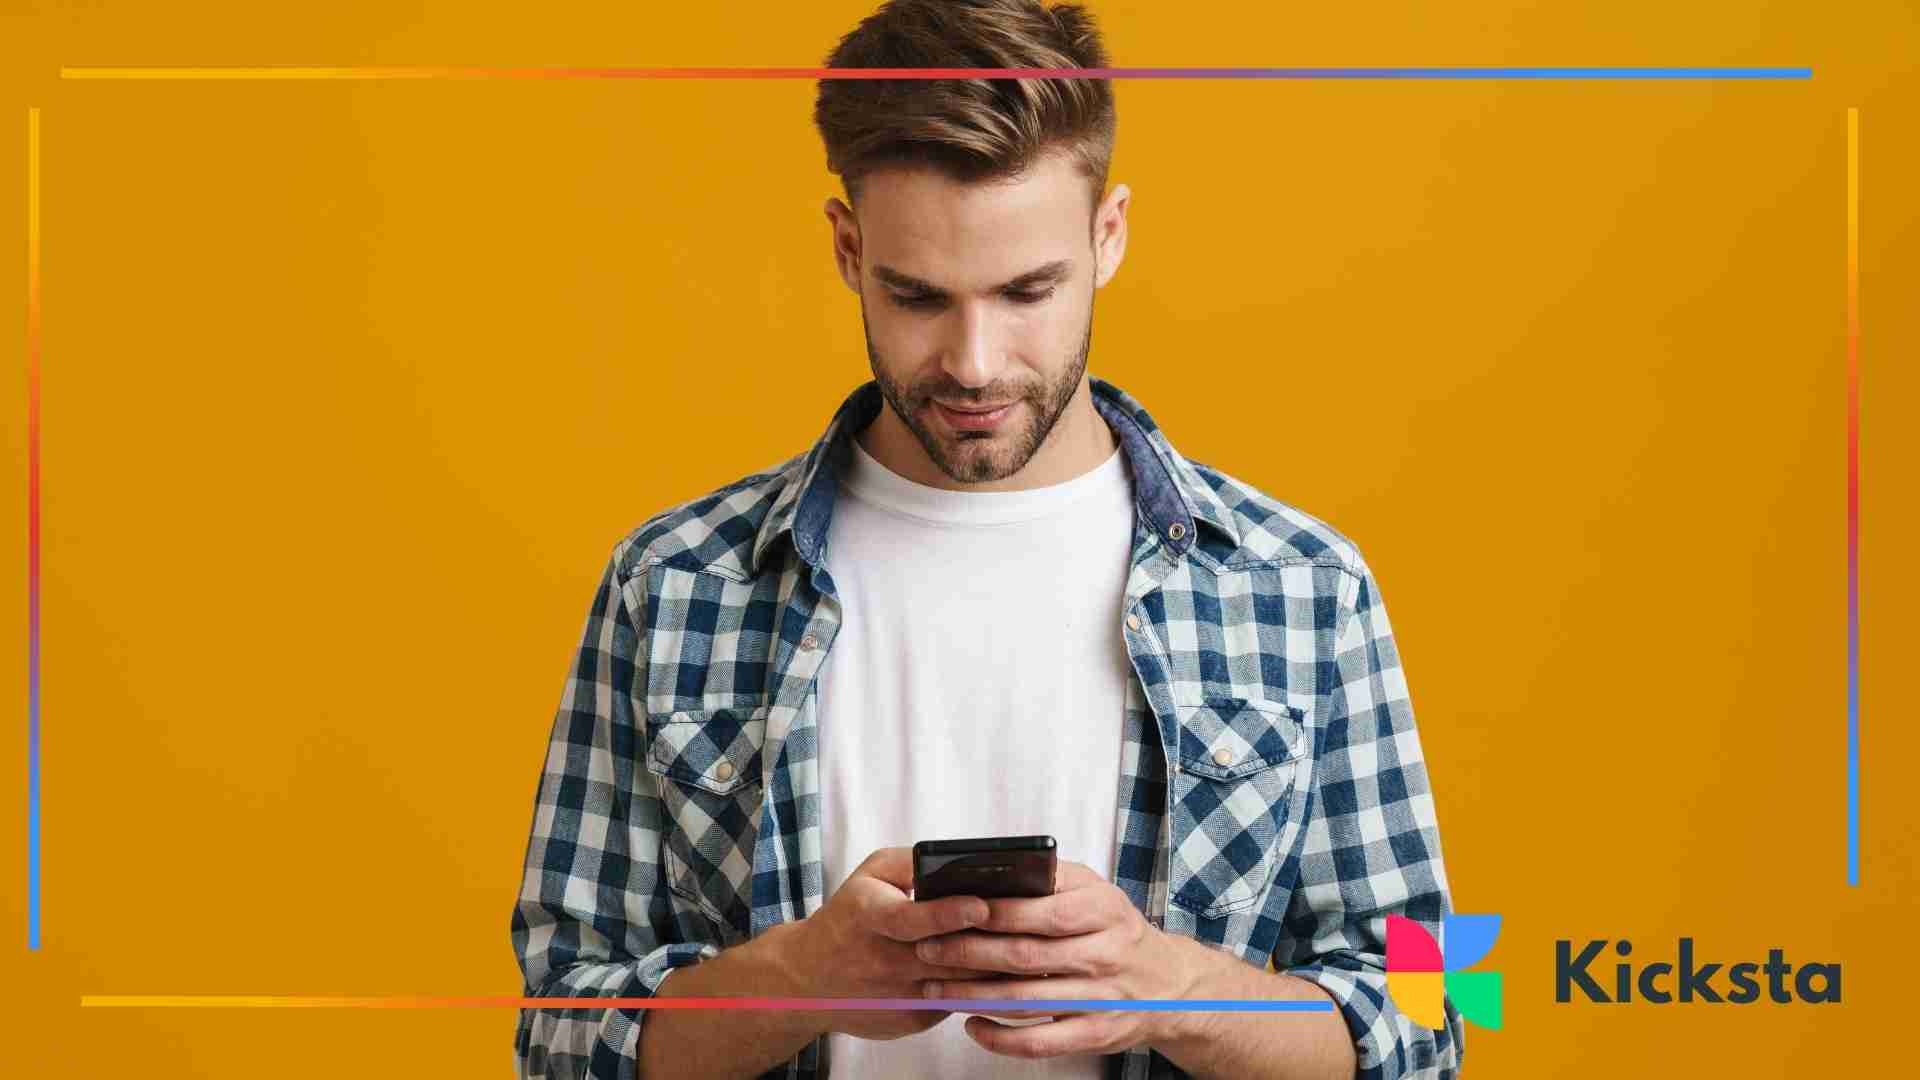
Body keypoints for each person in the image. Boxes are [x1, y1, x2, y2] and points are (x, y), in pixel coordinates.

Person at [509, 1, 1464, 1077]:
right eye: (917, 296)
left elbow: (1437, 1010)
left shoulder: (1304, 587)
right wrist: (799, 976)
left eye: (1028, 292)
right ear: (846, 247)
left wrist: (1172, 988)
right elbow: (555, 1033)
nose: (973, 361)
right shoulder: (673, 587)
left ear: (1109, 237)